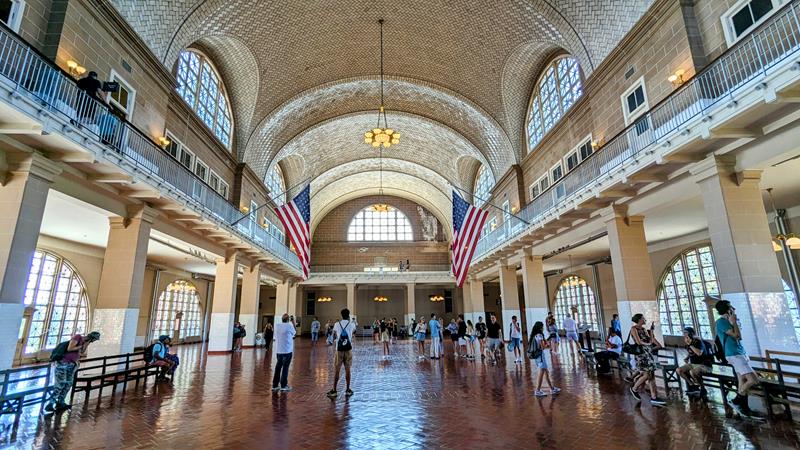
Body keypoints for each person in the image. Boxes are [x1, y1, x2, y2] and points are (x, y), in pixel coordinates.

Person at [715, 300, 759, 416]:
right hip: (734, 354)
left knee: (742, 380)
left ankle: (744, 407)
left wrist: (734, 322)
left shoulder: (728, 321)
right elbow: (737, 336)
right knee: (753, 380)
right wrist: (733, 322)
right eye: (731, 307)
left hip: (739, 353)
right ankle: (736, 400)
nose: (734, 309)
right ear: (727, 310)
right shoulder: (721, 322)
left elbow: (739, 337)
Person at [45, 331, 100, 413]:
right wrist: (81, 345)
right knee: (61, 383)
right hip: (63, 363)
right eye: (94, 339)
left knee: (68, 384)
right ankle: (50, 404)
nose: (93, 341)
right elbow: (70, 348)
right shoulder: (78, 337)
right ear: (91, 336)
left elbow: (81, 353)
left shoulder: (85, 342)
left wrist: (86, 344)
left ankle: (61, 402)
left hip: (72, 364)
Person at [628, 314, 666, 406]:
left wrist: (652, 330)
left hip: (648, 354)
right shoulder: (634, 329)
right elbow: (638, 342)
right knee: (647, 374)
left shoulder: (644, 329)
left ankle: (654, 397)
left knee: (651, 375)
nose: (645, 319)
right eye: (643, 318)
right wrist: (648, 344)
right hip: (641, 355)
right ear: (640, 319)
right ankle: (634, 388)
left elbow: (651, 340)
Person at [328, 308, 357, 398]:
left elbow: (335, 334)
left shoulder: (337, 324)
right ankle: (348, 389)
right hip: (348, 349)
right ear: (348, 315)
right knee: (348, 370)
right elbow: (353, 332)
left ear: (341, 315)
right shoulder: (351, 324)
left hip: (339, 349)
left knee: (337, 370)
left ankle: (334, 390)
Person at [676, 327, 712, 398]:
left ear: (690, 334)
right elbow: (691, 352)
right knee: (679, 370)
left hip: (704, 365)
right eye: (684, 333)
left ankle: (702, 388)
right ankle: (693, 385)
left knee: (692, 372)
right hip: (693, 364)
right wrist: (687, 357)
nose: (684, 335)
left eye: (686, 333)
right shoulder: (688, 342)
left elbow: (699, 353)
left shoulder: (698, 341)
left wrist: (690, 345)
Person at [530, 321, 560, 396]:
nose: (543, 328)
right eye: (542, 327)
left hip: (537, 356)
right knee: (541, 373)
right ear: (540, 327)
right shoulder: (539, 335)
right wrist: (547, 344)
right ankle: (537, 390)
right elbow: (542, 347)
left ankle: (552, 388)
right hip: (540, 356)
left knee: (546, 372)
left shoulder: (534, 335)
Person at [271, 314, 296, 392]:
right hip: (287, 350)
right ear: (288, 320)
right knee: (285, 368)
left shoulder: (277, 325)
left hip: (279, 350)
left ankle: (275, 385)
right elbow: (294, 333)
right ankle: (283, 385)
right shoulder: (289, 326)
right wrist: (293, 322)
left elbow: (275, 336)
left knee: (278, 367)